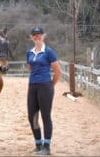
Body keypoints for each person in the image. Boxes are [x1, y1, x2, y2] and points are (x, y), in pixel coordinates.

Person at [26, 27, 61, 155]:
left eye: (39, 35)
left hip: (45, 86)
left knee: (45, 116)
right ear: (31, 37)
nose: (37, 37)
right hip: (32, 86)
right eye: (34, 35)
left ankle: (46, 146)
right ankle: (38, 144)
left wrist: (51, 85)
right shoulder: (29, 52)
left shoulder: (49, 52)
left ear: (43, 36)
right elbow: (30, 67)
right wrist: (36, 78)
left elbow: (58, 71)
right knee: (32, 117)